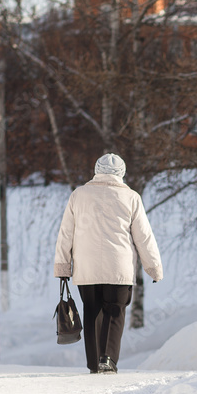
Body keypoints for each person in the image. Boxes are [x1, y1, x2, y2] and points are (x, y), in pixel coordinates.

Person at [54, 153, 163, 374]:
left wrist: (63, 266)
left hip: (87, 269)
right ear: (121, 173)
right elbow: (144, 236)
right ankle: (108, 359)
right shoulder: (131, 197)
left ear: (96, 170)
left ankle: (94, 364)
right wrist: (153, 267)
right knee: (114, 311)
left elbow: (65, 233)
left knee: (92, 311)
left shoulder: (79, 195)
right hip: (118, 268)